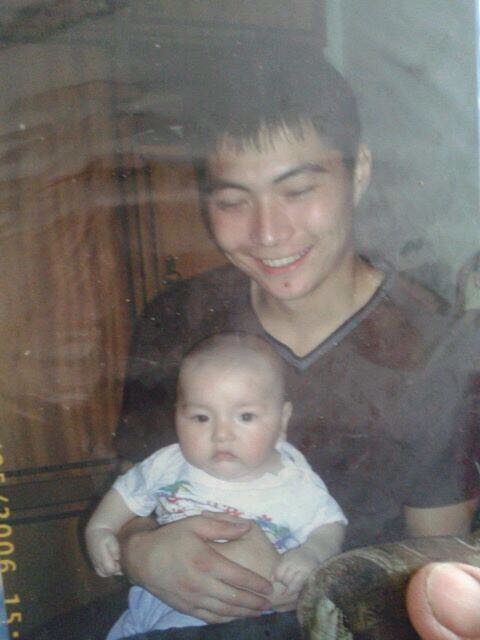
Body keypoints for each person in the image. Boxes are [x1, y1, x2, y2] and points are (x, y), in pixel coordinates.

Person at [113, 51, 479, 637]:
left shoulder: (434, 349)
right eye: (233, 201)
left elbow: (434, 571)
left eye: (297, 189)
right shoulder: (178, 321)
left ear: (358, 172)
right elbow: (132, 498)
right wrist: (139, 552)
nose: (268, 233)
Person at [86, 333, 346, 637]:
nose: (221, 434)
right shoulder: (168, 463)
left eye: (245, 416)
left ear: (282, 420)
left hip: (232, 614)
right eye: (201, 417)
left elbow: (329, 524)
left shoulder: (294, 481)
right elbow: (126, 493)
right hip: (152, 597)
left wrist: (311, 554)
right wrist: (100, 529)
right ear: (177, 415)